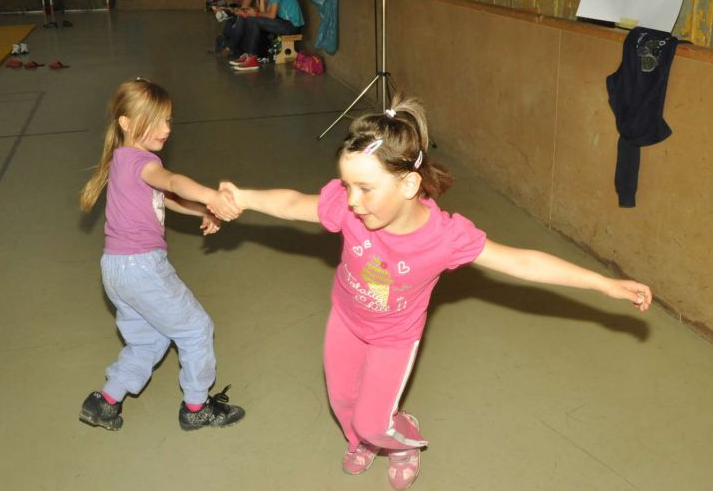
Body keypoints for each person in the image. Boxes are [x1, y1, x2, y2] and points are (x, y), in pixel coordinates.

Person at [219, 94, 653, 489]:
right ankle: (365, 439)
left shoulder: (444, 238)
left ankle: (400, 441)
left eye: (365, 188)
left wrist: (604, 283)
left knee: (373, 419)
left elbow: (521, 262)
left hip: (394, 337)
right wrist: (243, 196)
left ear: (408, 185)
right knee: (341, 400)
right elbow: (295, 203)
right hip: (347, 319)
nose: (351, 201)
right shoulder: (352, 211)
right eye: (348, 185)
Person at [77, 78, 246, 432]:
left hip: (116, 269)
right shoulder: (143, 162)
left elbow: (164, 198)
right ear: (125, 123)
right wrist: (211, 197)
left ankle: (106, 401)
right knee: (196, 329)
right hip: (142, 268)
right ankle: (196, 406)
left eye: (168, 120)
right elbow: (172, 182)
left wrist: (201, 212)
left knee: (148, 339)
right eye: (155, 120)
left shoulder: (122, 161)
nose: (166, 128)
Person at [227, 0, 305, 71]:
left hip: (292, 26)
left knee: (253, 20)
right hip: (285, 23)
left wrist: (256, 13)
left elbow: (271, 16)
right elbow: (265, 13)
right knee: (251, 18)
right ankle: (249, 55)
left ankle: (252, 58)